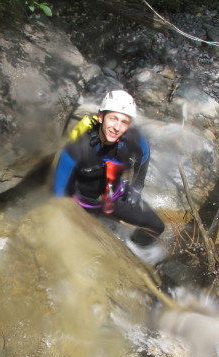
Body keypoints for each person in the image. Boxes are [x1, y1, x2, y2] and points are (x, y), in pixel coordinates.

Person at [53, 90, 165, 247]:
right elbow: (58, 193)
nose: (117, 127)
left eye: (124, 122)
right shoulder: (77, 149)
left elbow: (144, 155)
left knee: (157, 227)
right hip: (83, 202)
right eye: (113, 118)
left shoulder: (133, 139)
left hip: (115, 196)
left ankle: (134, 248)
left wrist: (137, 186)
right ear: (101, 117)